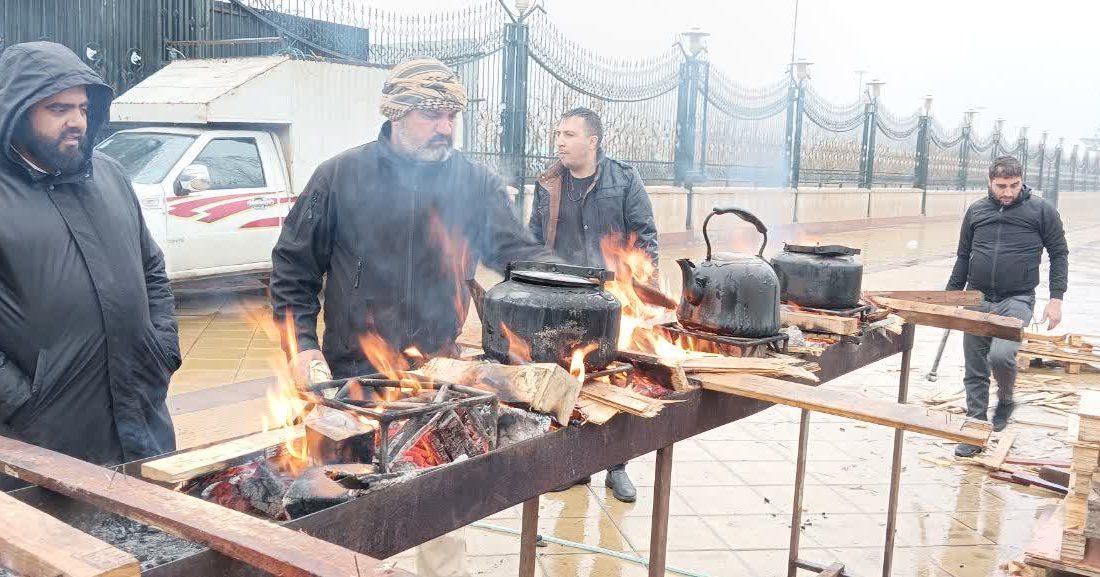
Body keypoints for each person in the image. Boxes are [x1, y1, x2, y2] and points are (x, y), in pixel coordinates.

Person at [270, 57, 552, 577]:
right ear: (397, 113)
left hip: (437, 378)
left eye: (452, 116)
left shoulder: (473, 184)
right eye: (432, 114)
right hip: (352, 377)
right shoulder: (338, 176)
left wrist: (582, 286)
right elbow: (292, 267)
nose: (446, 127)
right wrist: (302, 345)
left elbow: (519, 255)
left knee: (441, 506)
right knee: (340, 505)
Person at [0, 42, 181, 487]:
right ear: (16, 111)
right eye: (58, 108)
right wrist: (18, 401)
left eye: (82, 107)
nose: (76, 121)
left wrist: (163, 349)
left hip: (143, 420)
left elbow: (152, 269)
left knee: (161, 543)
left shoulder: (111, 175)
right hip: (44, 439)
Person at [528, 107, 659, 503]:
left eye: (569, 134)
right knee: (570, 379)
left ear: (592, 141)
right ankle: (576, 465)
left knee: (613, 378)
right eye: (558, 134)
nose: (560, 142)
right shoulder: (549, 183)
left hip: (614, 301)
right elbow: (534, 239)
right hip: (564, 300)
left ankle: (616, 466)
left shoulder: (624, 179)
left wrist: (641, 289)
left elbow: (645, 236)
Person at [948, 156, 1068, 457]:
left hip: (1017, 298)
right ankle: (975, 432)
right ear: (990, 182)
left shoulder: (1041, 211)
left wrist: (1056, 299)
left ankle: (1005, 398)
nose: (1008, 192)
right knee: (975, 367)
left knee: (1001, 356)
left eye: (1014, 185)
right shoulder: (976, 211)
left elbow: (1059, 254)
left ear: (1021, 181)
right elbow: (963, 256)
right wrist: (950, 297)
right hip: (977, 298)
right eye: (1001, 186)